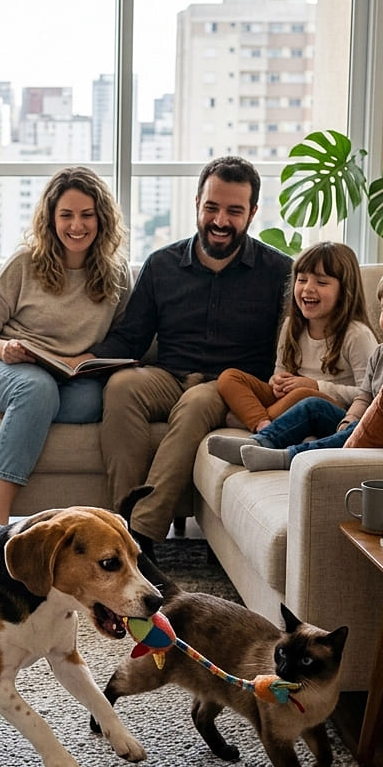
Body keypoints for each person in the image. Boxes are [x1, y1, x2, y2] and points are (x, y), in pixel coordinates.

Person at [85, 156, 292, 557]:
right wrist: (81, 359)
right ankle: (121, 521)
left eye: (234, 211)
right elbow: (131, 338)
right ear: (197, 203)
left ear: (252, 213)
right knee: (122, 386)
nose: (220, 220)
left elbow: (290, 346)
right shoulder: (162, 264)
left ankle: (140, 537)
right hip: (168, 374)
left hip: (229, 384)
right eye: (211, 207)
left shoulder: (279, 272)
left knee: (197, 402)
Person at [0, 166, 130, 525]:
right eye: (66, 215)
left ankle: (1, 416)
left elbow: (122, 338)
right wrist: (4, 349)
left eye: (87, 215)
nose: (77, 225)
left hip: (66, 379)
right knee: (36, 389)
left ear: (102, 218)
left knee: (97, 400)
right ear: (51, 219)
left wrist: (87, 359)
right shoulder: (26, 262)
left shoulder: (117, 274)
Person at [207, 257, 383, 471]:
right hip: (364, 427)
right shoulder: (382, 353)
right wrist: (349, 419)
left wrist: (360, 429)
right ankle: (261, 441)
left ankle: (287, 457)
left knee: (347, 424)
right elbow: (364, 397)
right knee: (313, 406)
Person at [216, 242, 379, 433]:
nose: (308, 288)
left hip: (329, 409)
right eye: (301, 280)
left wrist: (316, 386)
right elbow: (279, 373)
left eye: (321, 282)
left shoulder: (357, 334)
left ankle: (253, 420)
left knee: (304, 395)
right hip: (289, 399)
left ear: (344, 291)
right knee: (229, 377)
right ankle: (262, 423)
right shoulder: (291, 325)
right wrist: (277, 382)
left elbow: (370, 394)